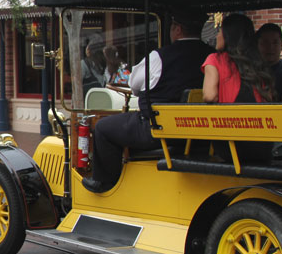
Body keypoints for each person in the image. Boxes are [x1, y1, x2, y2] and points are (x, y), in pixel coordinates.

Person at [84, 10, 215, 193]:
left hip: (158, 130)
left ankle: (105, 183)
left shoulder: (160, 57)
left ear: (177, 29)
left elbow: (135, 85)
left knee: (103, 128)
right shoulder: (213, 56)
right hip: (198, 130)